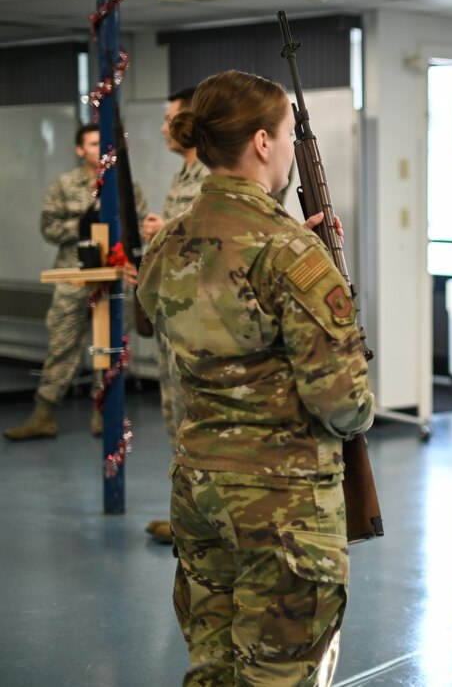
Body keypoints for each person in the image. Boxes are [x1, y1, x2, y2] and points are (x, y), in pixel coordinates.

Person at [137, 69, 374, 684]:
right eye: (288, 133)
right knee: (278, 673)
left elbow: (150, 314)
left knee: (211, 664)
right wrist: (306, 260)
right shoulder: (292, 252)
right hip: (283, 505)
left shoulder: (169, 244)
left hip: (199, 491)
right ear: (264, 143)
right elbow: (342, 402)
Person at [4, 124, 148, 441]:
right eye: (93, 143)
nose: (100, 149)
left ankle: (105, 414)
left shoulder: (124, 184)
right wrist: (88, 223)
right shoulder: (65, 185)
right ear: (80, 149)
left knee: (110, 348)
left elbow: (136, 229)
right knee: (61, 346)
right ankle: (43, 415)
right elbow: (49, 228)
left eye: (104, 143)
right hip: (73, 277)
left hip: (113, 279)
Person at [138, 88, 210, 545]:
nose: (164, 127)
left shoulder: (209, 176)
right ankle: (186, 517)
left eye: (171, 119)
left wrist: (166, 231)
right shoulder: (182, 173)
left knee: (194, 421)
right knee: (174, 420)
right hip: (171, 314)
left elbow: (208, 242)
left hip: (195, 319)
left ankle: (202, 523)